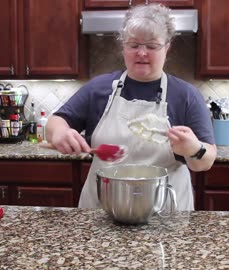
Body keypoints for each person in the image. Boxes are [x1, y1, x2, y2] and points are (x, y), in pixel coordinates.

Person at [46, 3, 216, 210]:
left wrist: (194, 149)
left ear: (167, 47)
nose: (141, 53)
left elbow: (205, 161)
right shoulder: (98, 88)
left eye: (152, 46)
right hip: (103, 211)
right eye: (134, 45)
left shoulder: (186, 95)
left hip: (165, 214)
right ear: (123, 47)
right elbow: (56, 121)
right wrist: (59, 132)